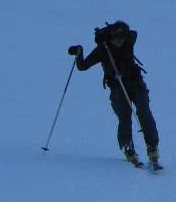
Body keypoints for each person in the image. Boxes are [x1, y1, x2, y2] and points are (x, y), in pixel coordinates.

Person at [69, 21, 161, 168]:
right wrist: (79, 53)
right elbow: (82, 66)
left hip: (136, 83)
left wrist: (116, 30)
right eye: (116, 38)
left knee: (144, 112)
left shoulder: (128, 42)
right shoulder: (102, 50)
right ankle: (128, 148)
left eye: (122, 38)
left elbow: (133, 34)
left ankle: (153, 148)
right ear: (110, 37)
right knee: (124, 117)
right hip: (118, 87)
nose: (119, 42)